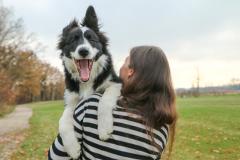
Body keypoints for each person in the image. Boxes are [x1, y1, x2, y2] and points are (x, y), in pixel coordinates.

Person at [48, 46, 177, 160]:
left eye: (125, 61)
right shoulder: (162, 127)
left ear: (130, 71)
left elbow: (55, 157)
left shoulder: (91, 105)